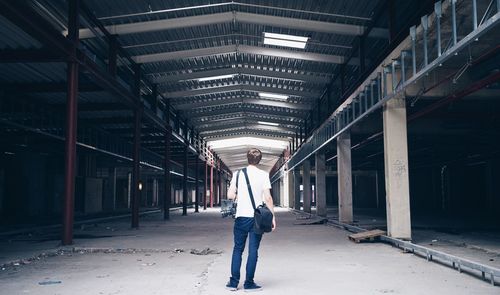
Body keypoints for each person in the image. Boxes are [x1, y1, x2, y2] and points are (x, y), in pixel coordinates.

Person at [225, 148, 276, 292]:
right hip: (257, 218)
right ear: (259, 160)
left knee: (238, 249)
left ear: (247, 158)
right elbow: (268, 198)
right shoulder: (263, 175)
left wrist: (238, 196)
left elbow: (230, 195)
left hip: (241, 217)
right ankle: (249, 284)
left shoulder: (238, 174)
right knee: (253, 250)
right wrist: (272, 216)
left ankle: (233, 283)